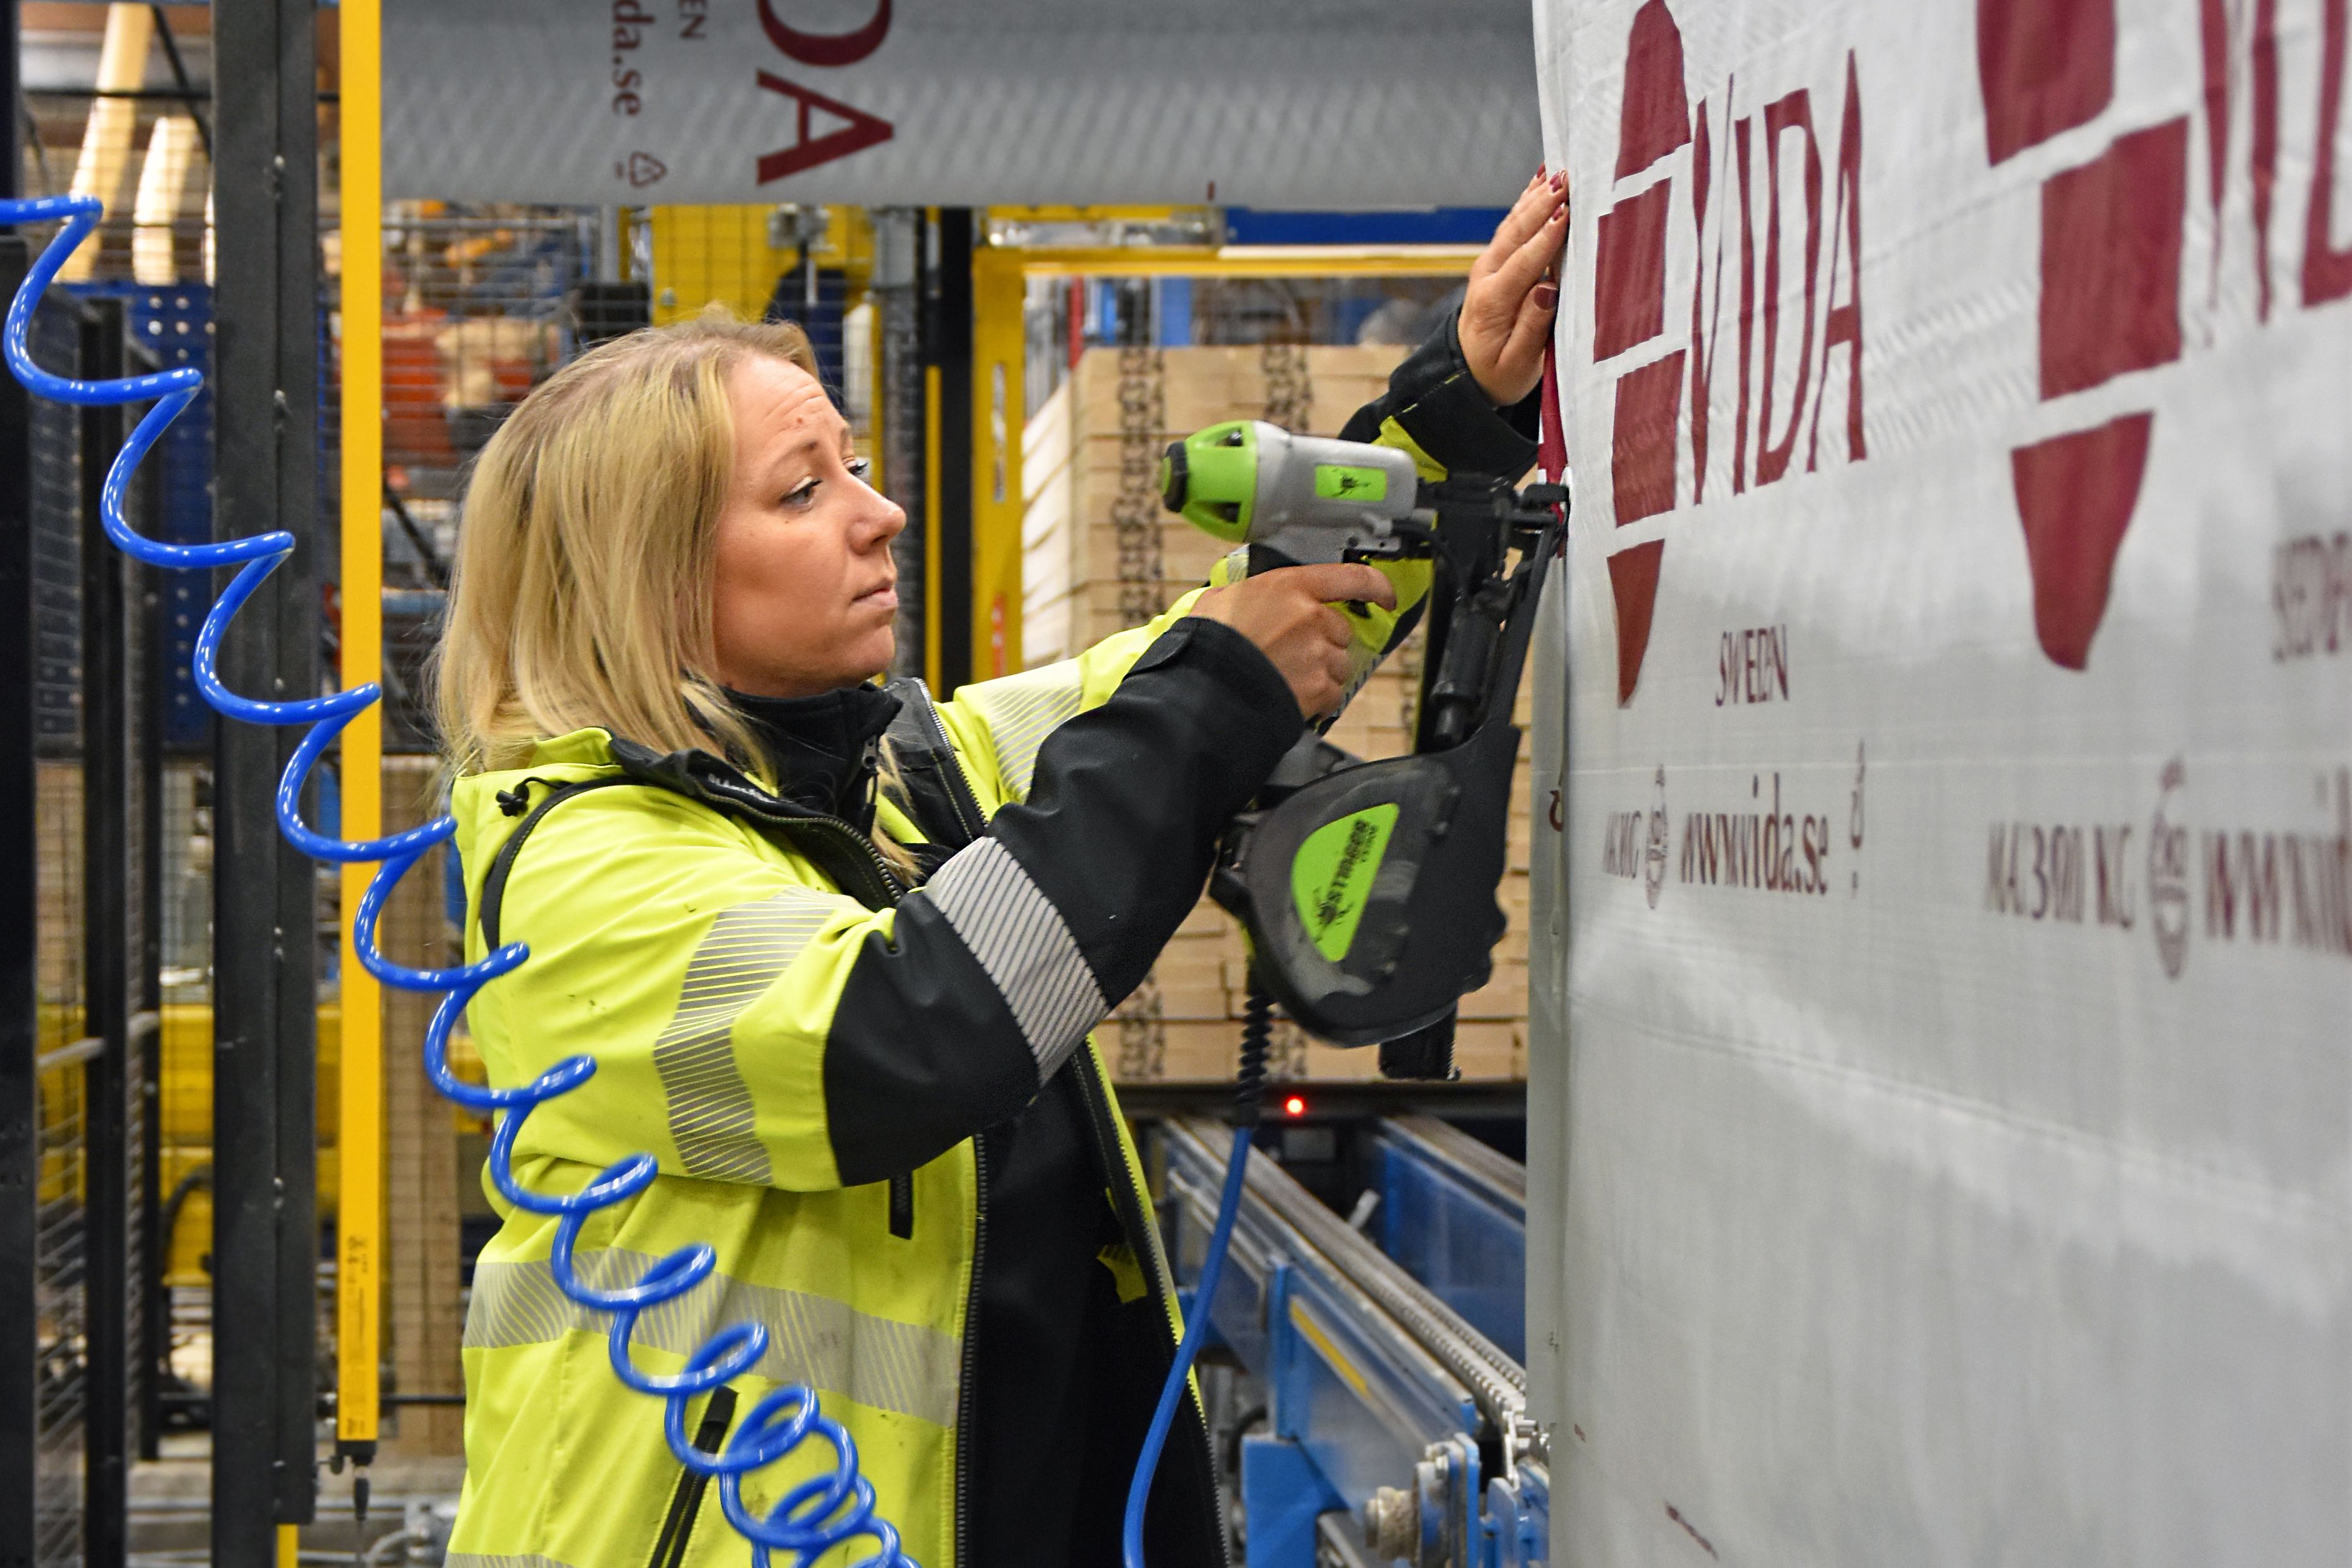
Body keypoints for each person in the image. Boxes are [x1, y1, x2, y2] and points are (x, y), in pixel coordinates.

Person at [433, 174, 1565, 1568]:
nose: (881, 512)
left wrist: (1456, 411)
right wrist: (1210, 699)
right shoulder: (581, 870)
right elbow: (902, 1035)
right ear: (645, 582)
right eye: (804, 489)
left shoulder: (898, 775)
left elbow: (1197, 667)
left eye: (852, 466)